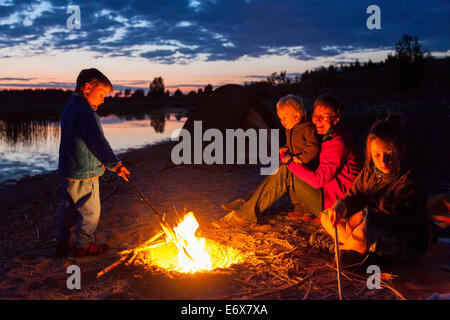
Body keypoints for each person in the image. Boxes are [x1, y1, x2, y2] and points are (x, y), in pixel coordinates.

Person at [213, 93, 360, 228]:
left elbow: (318, 180)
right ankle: (246, 206)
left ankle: (243, 214)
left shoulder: (338, 142)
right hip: (329, 199)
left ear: (337, 119)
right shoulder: (330, 134)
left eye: (325, 116)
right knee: (284, 169)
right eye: (316, 115)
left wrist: (290, 162)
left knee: (286, 171)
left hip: (336, 208)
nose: (318, 120)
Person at [313, 116, 429, 263]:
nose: (383, 160)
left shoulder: (408, 182)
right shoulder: (370, 172)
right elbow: (354, 195)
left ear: (401, 150)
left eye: (389, 154)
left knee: (363, 232)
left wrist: (365, 215)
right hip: (368, 228)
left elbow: (399, 222)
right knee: (326, 215)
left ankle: (339, 251)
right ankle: (350, 250)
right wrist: (341, 205)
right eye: (377, 155)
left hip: (402, 239)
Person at [55, 68, 130, 257]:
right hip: (84, 173)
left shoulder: (69, 108)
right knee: (91, 212)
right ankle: (84, 245)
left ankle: (62, 241)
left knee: (69, 209)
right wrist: (116, 165)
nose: (103, 99)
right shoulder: (87, 113)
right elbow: (98, 143)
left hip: (68, 171)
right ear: (87, 87)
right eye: (102, 94)